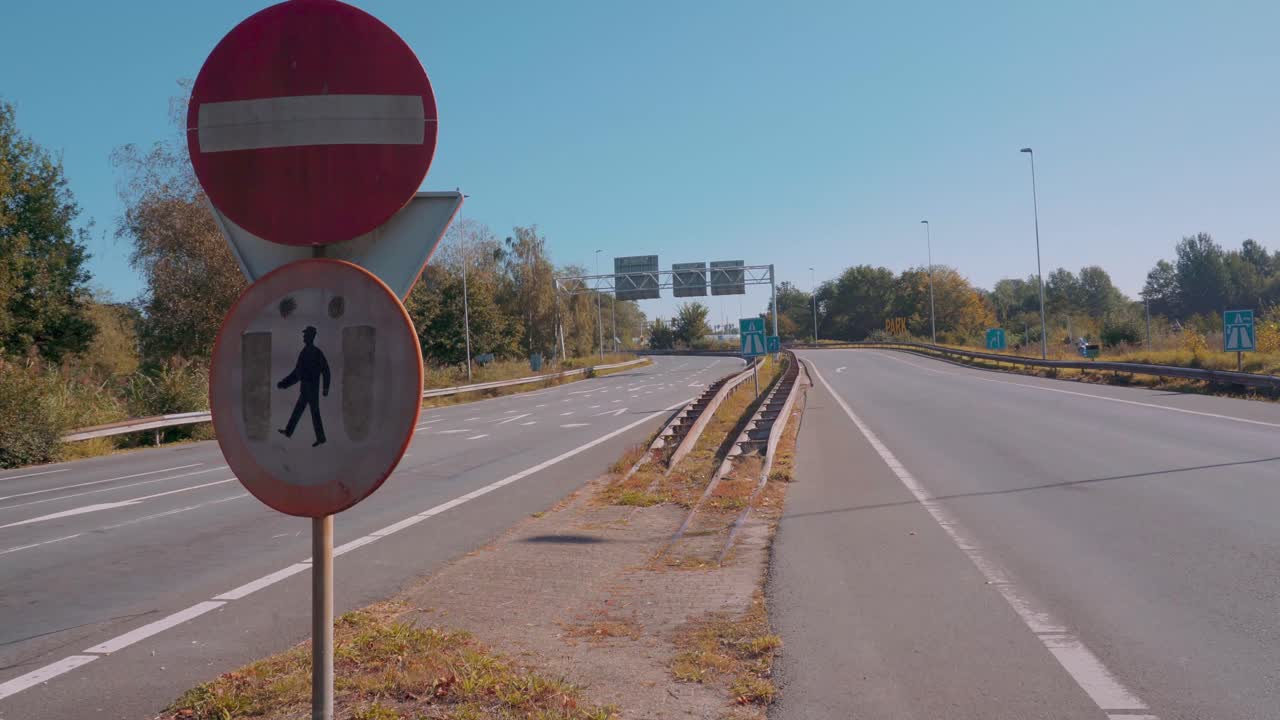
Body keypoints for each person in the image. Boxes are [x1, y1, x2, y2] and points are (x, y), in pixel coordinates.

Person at [278, 326, 331, 447]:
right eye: (304, 334)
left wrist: (325, 388)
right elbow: (298, 373)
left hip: (311, 389)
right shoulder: (306, 352)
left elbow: (326, 371)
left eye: (305, 334)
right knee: (300, 411)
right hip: (306, 388)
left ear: (310, 336)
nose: (303, 336)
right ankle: (289, 432)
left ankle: (320, 438)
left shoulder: (315, 353)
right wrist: (284, 384)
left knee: (313, 413)